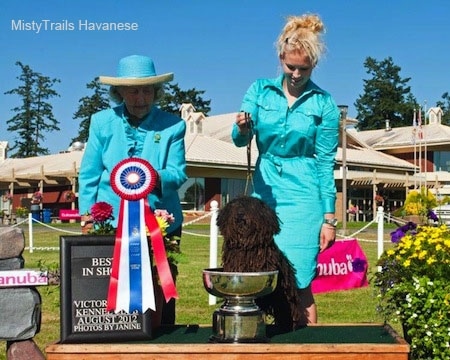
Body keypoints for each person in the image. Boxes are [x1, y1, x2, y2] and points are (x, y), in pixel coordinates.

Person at [232, 14, 340, 326]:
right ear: (281, 58)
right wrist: (241, 127)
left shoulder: (325, 104)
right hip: (265, 196)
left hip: (305, 198)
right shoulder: (259, 91)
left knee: (299, 283)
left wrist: (329, 219)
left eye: (303, 69)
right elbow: (242, 141)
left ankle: (307, 348)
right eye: (290, 66)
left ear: (314, 65)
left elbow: (324, 164)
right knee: (258, 276)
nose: (295, 74)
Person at [78, 55, 188, 324]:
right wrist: (87, 215)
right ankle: (118, 338)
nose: (141, 97)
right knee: (114, 288)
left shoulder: (173, 125)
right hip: (111, 221)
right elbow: (89, 174)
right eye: (134, 90)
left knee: (162, 284)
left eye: (147, 90)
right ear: (119, 92)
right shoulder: (101, 122)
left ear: (156, 91)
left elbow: (178, 173)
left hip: (162, 221)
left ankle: (163, 336)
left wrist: (151, 177)